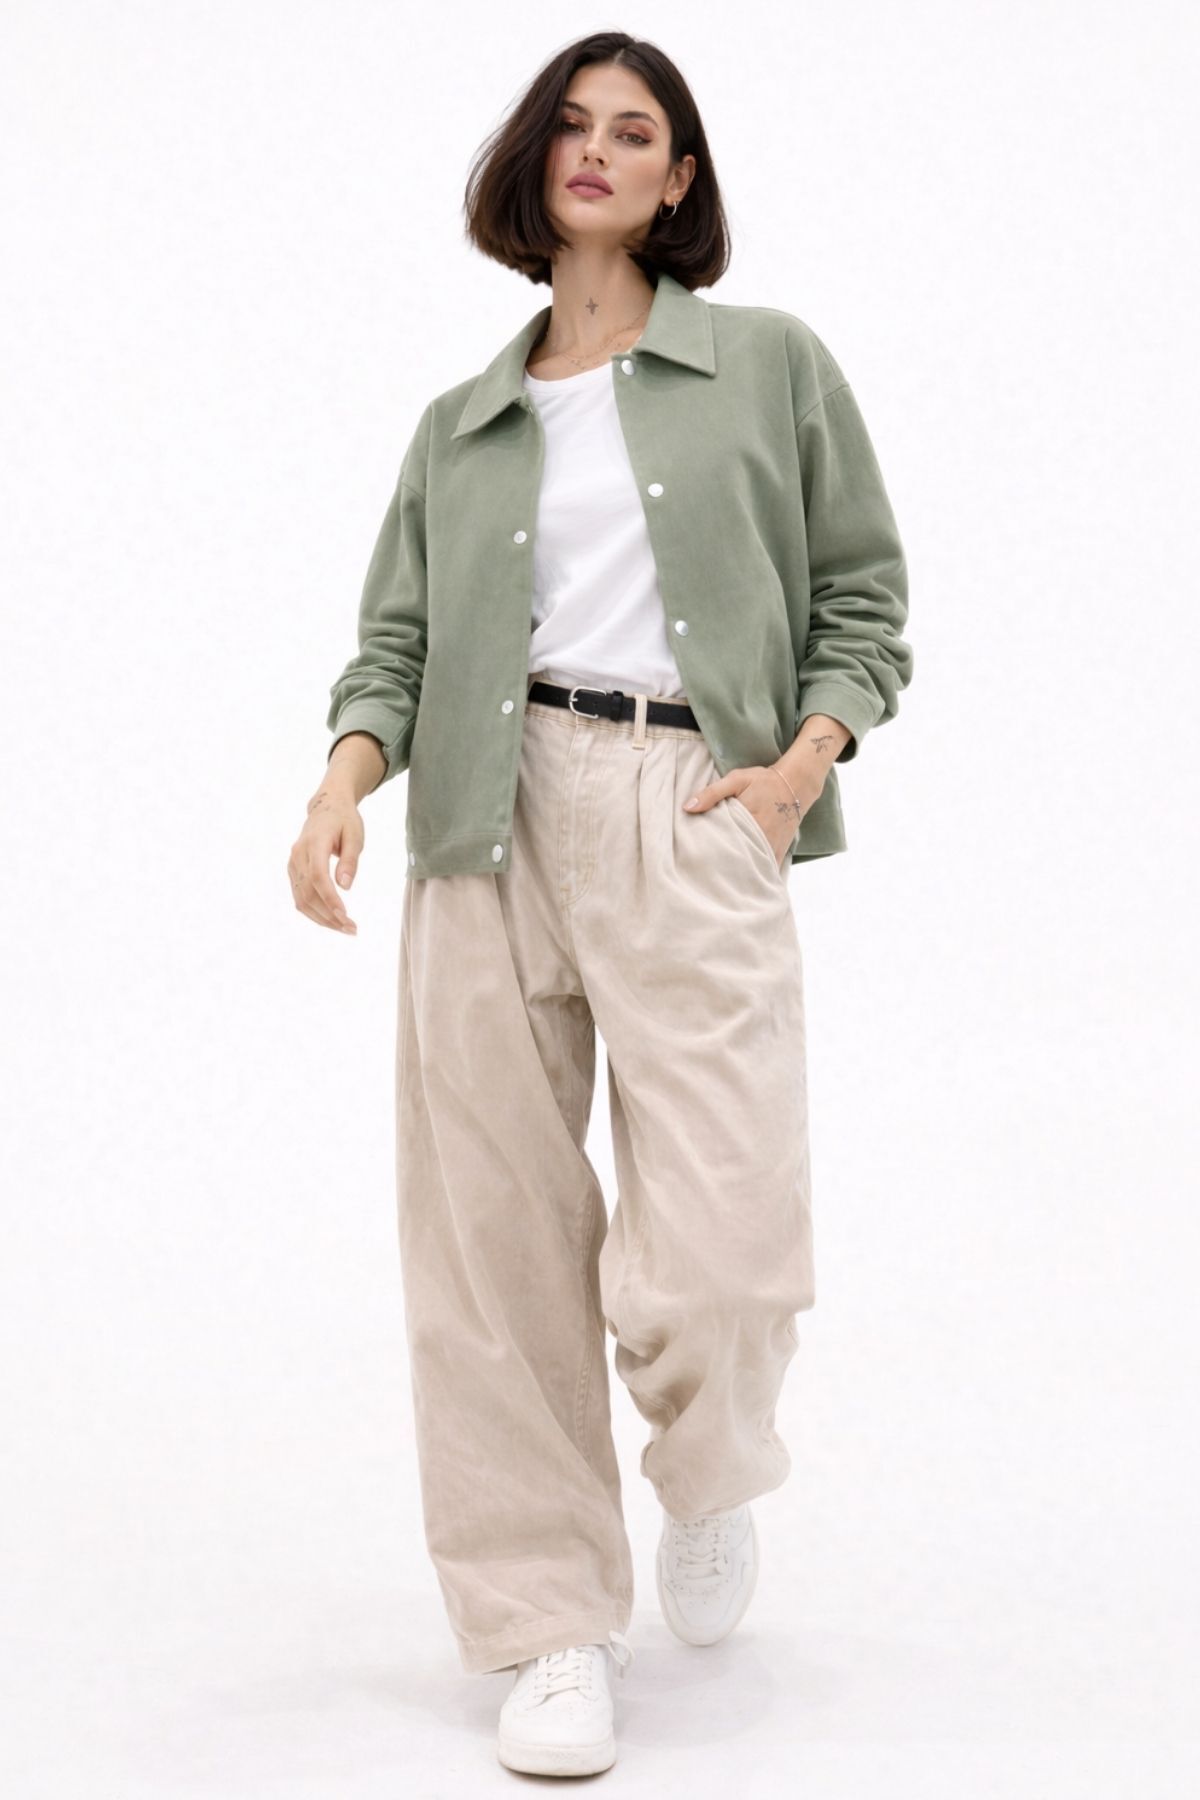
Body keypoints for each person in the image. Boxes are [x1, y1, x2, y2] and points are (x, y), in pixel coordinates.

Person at [288, 30, 912, 1780]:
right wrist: (341, 785)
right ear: (532, 162)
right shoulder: (462, 425)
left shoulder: (770, 365)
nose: (598, 150)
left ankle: (708, 1477)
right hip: (480, 824)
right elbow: (396, 643)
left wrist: (800, 762)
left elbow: (864, 599)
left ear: (678, 180)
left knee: (721, 1249)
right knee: (489, 1244)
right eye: (571, 125)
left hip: (695, 802)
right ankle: (548, 1624)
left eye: (636, 133)